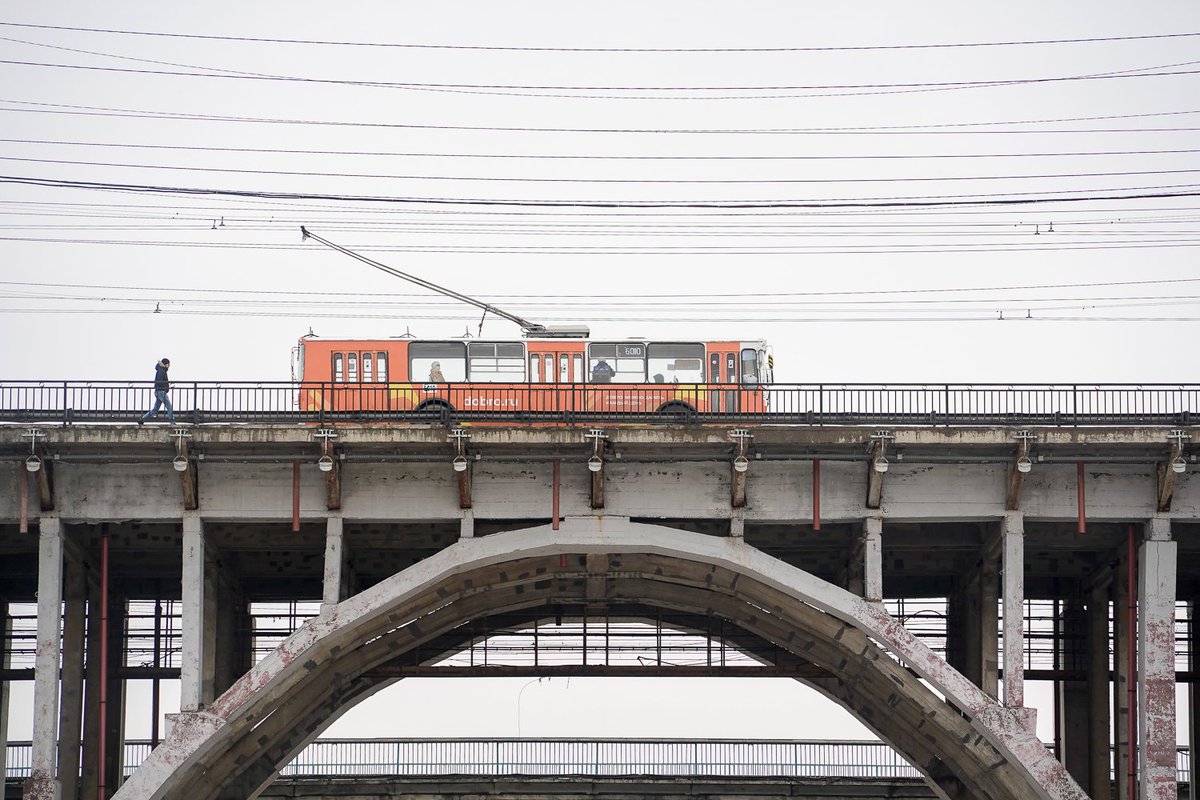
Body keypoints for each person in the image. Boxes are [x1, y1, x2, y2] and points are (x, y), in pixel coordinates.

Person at [139, 358, 175, 424]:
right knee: (169, 405)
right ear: (166, 364)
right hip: (161, 391)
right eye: (168, 364)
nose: (169, 366)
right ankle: (172, 421)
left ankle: (142, 419)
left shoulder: (161, 370)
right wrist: (165, 388)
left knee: (155, 409)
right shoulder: (161, 370)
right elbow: (159, 381)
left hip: (159, 391)